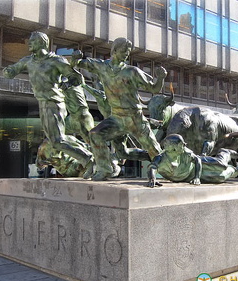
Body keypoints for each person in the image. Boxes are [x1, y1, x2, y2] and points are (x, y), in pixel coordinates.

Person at [71, 37, 166, 181]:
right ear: (114, 51)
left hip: (135, 118)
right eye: (123, 51)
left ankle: (170, 170)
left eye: (128, 52)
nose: (126, 54)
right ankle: (104, 169)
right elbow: (78, 64)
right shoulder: (101, 66)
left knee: (153, 149)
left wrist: (160, 78)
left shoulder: (132, 71)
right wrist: (75, 59)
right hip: (116, 118)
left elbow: (153, 88)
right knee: (95, 134)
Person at [3, 31, 94, 177]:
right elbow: (13, 70)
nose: (29, 43)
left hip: (55, 103)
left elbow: (76, 78)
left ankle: (88, 160)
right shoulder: (28, 61)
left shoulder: (56, 60)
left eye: (33, 41)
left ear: (42, 43)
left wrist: (66, 85)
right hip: (43, 103)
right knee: (54, 140)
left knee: (57, 141)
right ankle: (81, 160)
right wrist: (8, 72)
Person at [147, 134, 238, 187]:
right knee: (220, 177)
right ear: (174, 148)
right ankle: (235, 170)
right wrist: (152, 179)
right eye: (182, 144)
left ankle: (225, 153)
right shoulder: (161, 158)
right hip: (188, 175)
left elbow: (197, 160)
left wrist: (197, 178)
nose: (185, 145)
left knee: (220, 165)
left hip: (197, 167)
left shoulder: (185, 152)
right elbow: (153, 167)